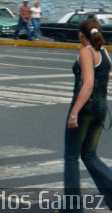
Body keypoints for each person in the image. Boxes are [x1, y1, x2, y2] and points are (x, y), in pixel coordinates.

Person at [61, 18, 112, 212]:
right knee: (90, 155)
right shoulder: (104, 53)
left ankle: (72, 208)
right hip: (101, 108)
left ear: (80, 34)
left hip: (85, 109)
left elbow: (88, 83)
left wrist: (74, 112)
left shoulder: (86, 52)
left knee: (72, 156)